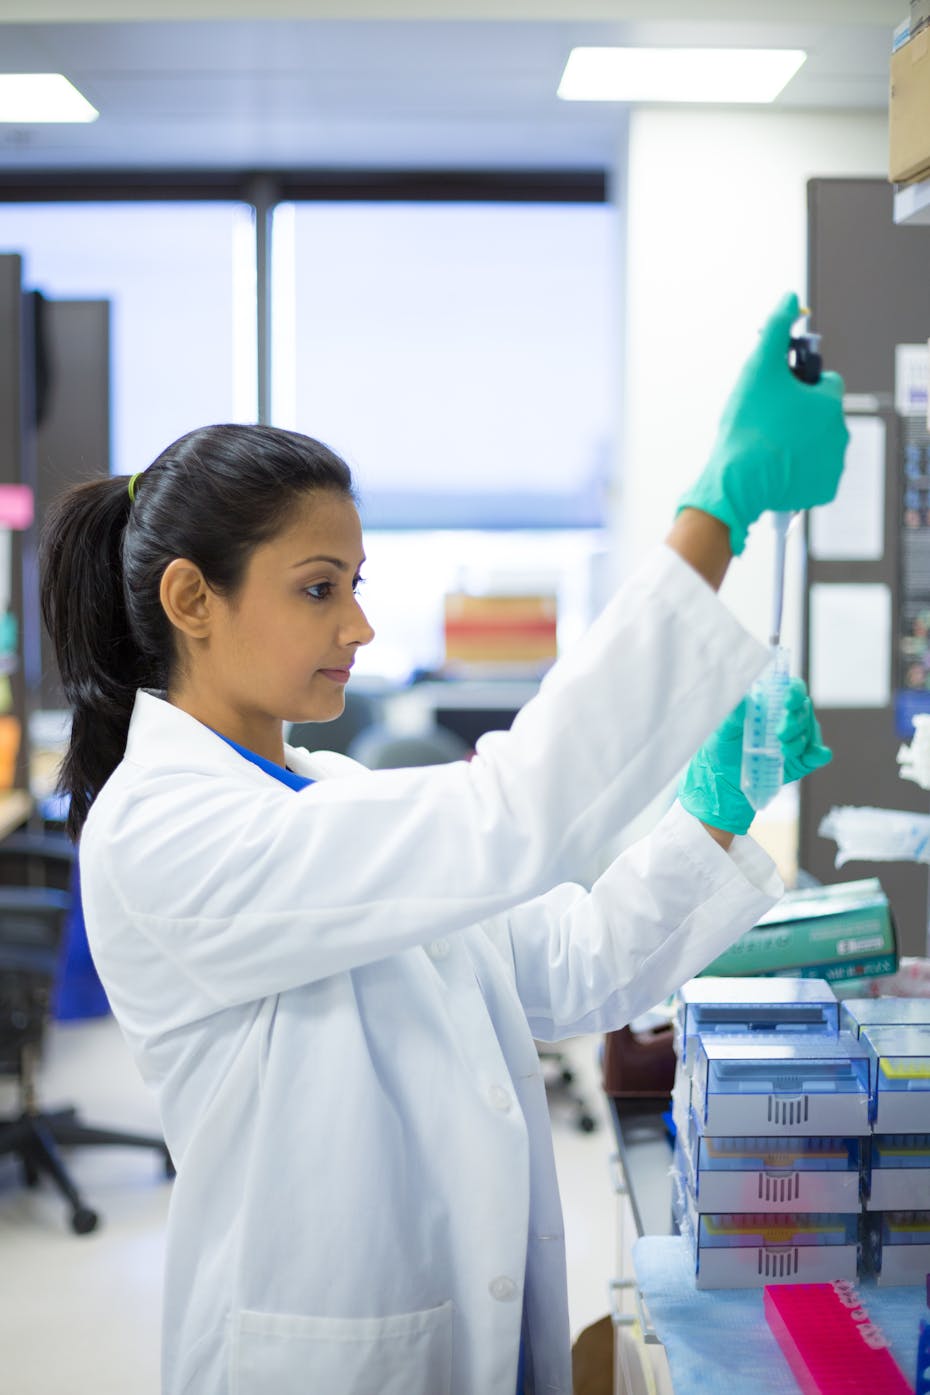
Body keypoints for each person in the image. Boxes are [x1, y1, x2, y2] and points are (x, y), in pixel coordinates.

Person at [39, 291, 847, 1395]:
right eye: (319, 589)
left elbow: (567, 968)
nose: (360, 627)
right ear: (192, 599)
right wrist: (716, 511)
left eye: (356, 587)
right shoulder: (165, 829)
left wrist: (715, 809)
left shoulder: (324, 790)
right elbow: (510, 816)